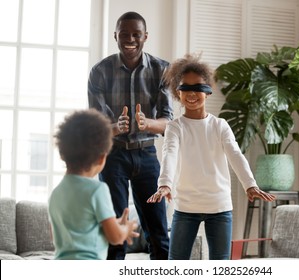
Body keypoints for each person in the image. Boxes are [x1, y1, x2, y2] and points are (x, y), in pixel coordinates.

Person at [147, 53, 276, 260]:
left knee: (220, 265)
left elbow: (235, 153)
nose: (191, 94)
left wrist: (250, 184)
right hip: (186, 205)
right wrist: (165, 184)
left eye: (197, 87)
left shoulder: (220, 125)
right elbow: (169, 153)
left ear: (207, 91)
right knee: (175, 263)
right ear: (177, 93)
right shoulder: (175, 127)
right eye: (185, 88)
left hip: (219, 205)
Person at [88, 11, 172, 260]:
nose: (130, 39)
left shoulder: (162, 70)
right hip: (112, 157)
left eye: (136, 34)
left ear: (145, 36)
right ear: (115, 36)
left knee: (158, 234)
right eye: (124, 34)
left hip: (147, 156)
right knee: (115, 235)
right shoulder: (100, 71)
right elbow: (96, 127)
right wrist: (116, 127)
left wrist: (147, 124)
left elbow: (168, 123)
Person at [48, 109, 139, 260]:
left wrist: (113, 222)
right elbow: (115, 237)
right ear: (102, 158)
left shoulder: (56, 193)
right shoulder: (97, 190)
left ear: (63, 154)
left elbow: (61, 234)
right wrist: (125, 229)